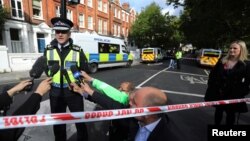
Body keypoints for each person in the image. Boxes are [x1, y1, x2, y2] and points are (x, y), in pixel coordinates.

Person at [71, 82, 181, 141]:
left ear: (149, 112)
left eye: (134, 102)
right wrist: (87, 91)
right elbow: (110, 103)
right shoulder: (134, 119)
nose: (129, 104)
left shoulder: (169, 136)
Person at [43, 17, 89, 141]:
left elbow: (85, 70)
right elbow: (45, 69)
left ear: (69, 33)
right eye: (57, 31)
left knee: (79, 121)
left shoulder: (77, 50)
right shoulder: (48, 49)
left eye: (63, 31)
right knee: (58, 123)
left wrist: (78, 81)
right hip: (55, 92)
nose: (60, 34)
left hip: (73, 92)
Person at [204, 40, 250, 125]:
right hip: (219, 93)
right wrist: (212, 85)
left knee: (230, 115)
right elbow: (212, 74)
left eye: (235, 48)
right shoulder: (222, 60)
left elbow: (248, 81)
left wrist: (242, 92)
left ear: (241, 50)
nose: (231, 50)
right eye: (230, 48)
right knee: (218, 112)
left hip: (233, 96)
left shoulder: (246, 65)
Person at [79, 71, 135, 141]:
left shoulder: (123, 98)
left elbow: (107, 92)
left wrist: (91, 80)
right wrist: (83, 93)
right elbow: (102, 100)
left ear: (128, 92)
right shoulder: (122, 101)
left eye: (122, 89)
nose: (118, 90)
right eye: (119, 87)